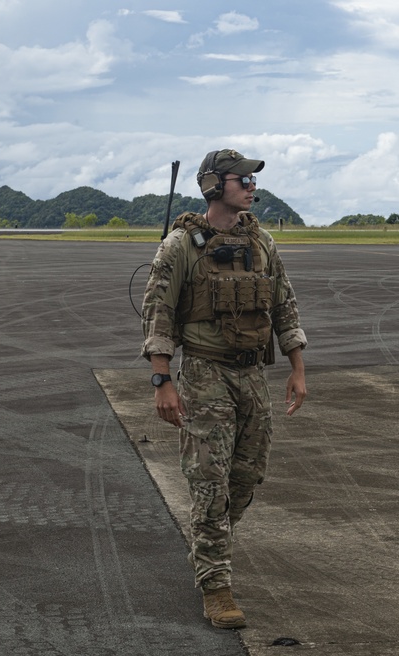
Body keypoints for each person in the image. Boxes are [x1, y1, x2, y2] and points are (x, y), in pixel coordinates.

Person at [140, 149, 308, 629]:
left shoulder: (263, 244)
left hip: (253, 375)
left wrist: (297, 367)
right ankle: (217, 586)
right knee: (209, 484)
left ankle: (206, 546)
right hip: (204, 374)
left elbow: (285, 307)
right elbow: (159, 316)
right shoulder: (180, 247)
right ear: (215, 185)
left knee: (247, 476)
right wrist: (162, 381)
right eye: (243, 180)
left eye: (253, 182)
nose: (253, 188)